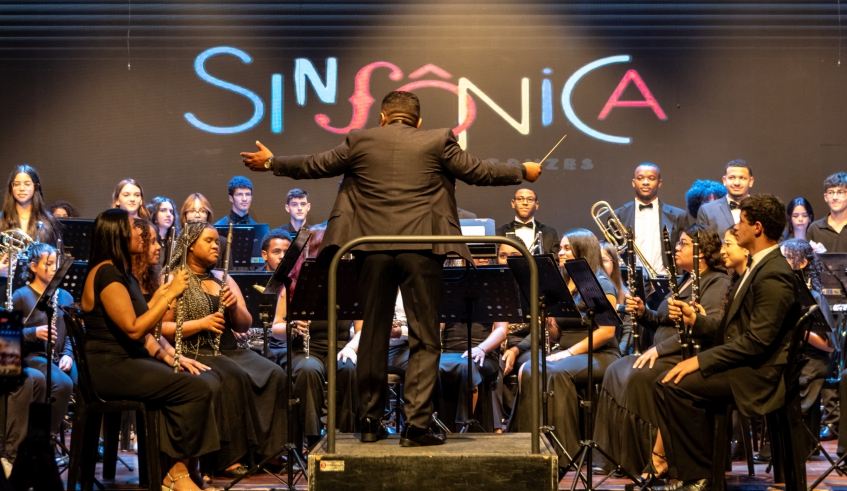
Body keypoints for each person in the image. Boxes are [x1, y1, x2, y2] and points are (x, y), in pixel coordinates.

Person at [240, 90, 541, 447]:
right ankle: (416, 426)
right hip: (422, 248)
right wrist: (522, 171)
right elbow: (478, 171)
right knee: (425, 336)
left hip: (371, 247)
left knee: (373, 333)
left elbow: (316, 164)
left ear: (382, 118)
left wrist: (272, 163)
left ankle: (369, 420)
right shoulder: (438, 139)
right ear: (418, 121)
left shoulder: (360, 139)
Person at [653, 194, 801, 491]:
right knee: (667, 381)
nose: (736, 227)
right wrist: (697, 320)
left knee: (674, 385)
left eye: (741, 222)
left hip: (759, 374)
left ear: (757, 228)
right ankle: (697, 472)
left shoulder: (773, 273)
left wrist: (700, 360)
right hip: (747, 363)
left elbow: (757, 341)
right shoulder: (758, 267)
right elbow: (736, 329)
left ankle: (700, 477)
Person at [81, 209, 218, 491]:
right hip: (110, 367)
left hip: (128, 360)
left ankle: (187, 469)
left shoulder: (123, 274)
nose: (140, 233)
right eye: (134, 227)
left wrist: (171, 357)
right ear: (118, 234)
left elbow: (145, 332)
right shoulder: (107, 274)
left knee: (202, 379)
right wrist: (169, 295)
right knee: (195, 390)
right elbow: (134, 329)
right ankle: (176, 473)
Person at [593, 225, 730, 480]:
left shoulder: (716, 281)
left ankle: (644, 458)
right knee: (614, 370)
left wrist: (660, 349)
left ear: (702, 251)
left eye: (683, 243)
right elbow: (662, 320)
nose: (676, 248)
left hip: (686, 355)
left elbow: (707, 327)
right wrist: (644, 312)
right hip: (663, 352)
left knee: (636, 376)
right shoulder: (684, 279)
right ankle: (614, 457)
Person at [161, 221, 288, 477]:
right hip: (196, 349)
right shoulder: (174, 279)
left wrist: (233, 307)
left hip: (229, 348)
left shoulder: (223, 278)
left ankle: (268, 452)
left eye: (216, 241)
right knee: (233, 377)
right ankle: (230, 458)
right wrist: (200, 324)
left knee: (275, 374)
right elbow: (161, 327)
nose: (215, 246)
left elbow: (244, 324)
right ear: (190, 245)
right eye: (208, 241)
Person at [508, 228, 621, 467]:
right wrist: (549, 322)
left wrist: (567, 353)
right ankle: (527, 445)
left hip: (600, 354)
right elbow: (557, 334)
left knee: (555, 371)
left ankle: (564, 454)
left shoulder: (600, 284)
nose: (560, 252)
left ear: (583, 251)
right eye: (560, 247)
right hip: (568, 353)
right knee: (529, 369)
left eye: (567, 248)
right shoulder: (564, 284)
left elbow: (607, 332)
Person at [11, 243, 76, 435]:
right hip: (34, 356)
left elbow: (72, 334)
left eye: (57, 263)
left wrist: (68, 354)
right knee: (63, 384)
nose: (55, 268)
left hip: (60, 357)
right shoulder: (21, 296)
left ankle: (81, 444)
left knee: (87, 384)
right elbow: (9, 336)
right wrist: (34, 332)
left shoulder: (65, 297)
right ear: (33, 266)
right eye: (48, 263)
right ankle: (44, 437)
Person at [614, 163, 689, 276]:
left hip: (667, 279)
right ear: (633, 183)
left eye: (651, 178)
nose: (645, 182)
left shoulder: (679, 216)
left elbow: (686, 250)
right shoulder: (618, 215)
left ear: (659, 183)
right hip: (630, 280)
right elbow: (611, 251)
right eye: (640, 178)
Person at [0, 165, 61, 246]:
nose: (22, 188)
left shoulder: (50, 222)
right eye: (17, 184)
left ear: (36, 186)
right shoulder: (1, 220)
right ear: (12, 187)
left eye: (27, 184)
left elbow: (57, 252)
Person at [697, 160, 755, 237]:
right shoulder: (707, 211)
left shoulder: (761, 208)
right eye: (731, 178)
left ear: (751, 181)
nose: (737, 183)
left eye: (742, 178)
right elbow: (704, 242)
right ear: (724, 180)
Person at [496, 188, 560, 255]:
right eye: (520, 199)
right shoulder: (499, 233)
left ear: (536, 205)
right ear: (513, 203)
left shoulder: (550, 233)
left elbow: (555, 259)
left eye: (530, 199)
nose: (525, 203)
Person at [806, 171, 847, 253]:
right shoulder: (815, 229)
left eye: (840, 192)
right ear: (825, 197)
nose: (835, 197)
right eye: (830, 193)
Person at [147, 197, 180, 267]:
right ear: (154, 214)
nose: (169, 215)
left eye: (171, 211)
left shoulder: (177, 240)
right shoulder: (147, 239)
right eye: (163, 210)